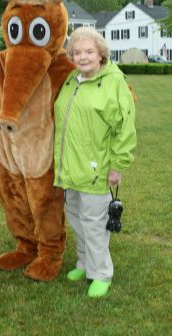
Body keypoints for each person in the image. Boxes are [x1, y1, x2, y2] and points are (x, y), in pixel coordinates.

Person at [54, 27, 136, 297]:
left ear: (101, 54)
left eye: (89, 51)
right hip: (69, 167)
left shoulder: (114, 83)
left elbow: (124, 128)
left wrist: (117, 165)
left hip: (95, 168)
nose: (83, 56)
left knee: (94, 223)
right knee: (77, 219)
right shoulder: (71, 79)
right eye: (77, 52)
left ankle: (101, 273)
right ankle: (84, 262)